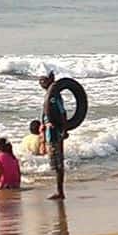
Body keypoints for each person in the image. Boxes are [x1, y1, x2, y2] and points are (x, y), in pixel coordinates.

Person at [39, 72, 67, 200]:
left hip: (55, 133)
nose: (41, 82)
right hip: (51, 133)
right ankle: (59, 191)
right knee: (55, 164)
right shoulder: (49, 96)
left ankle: (60, 191)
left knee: (58, 164)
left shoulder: (54, 96)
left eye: (44, 79)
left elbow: (62, 113)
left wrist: (63, 130)